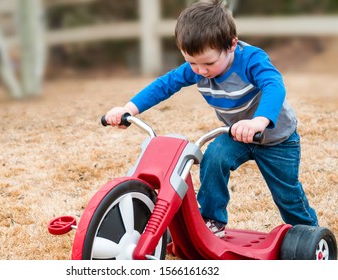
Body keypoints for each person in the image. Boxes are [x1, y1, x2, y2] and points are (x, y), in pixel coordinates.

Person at [104, 0, 318, 237]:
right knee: (214, 157)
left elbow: (274, 86)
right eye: (192, 62)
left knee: (287, 195)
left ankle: (310, 235)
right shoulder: (195, 68)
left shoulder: (251, 60)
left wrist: (259, 121)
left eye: (208, 63)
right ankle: (212, 219)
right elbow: (164, 85)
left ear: (232, 45)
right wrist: (129, 109)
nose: (200, 71)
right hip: (236, 134)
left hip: (277, 139)